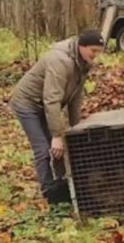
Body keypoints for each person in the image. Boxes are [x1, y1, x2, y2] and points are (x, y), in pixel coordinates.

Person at [10, 30, 105, 204]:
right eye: (93, 51)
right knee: (44, 149)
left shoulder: (84, 63)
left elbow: (75, 97)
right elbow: (52, 99)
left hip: (47, 106)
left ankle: (63, 183)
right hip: (27, 104)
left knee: (59, 150)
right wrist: (56, 136)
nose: (96, 56)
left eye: (99, 52)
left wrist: (76, 129)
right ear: (81, 47)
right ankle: (50, 193)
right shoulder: (60, 61)